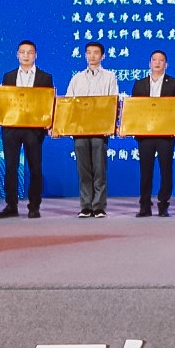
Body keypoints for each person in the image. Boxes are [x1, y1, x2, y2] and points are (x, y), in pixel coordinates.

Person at [0, 40, 53, 219]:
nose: (26, 55)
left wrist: (48, 124)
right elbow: (4, 102)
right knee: (10, 167)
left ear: (36, 55)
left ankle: (34, 206)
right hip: (11, 129)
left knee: (35, 168)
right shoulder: (8, 76)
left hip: (34, 130)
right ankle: (11, 205)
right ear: (17, 55)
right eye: (22, 52)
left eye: (30, 52)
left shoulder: (45, 77)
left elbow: (48, 103)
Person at [63, 40, 119, 218]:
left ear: (103, 56)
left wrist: (110, 125)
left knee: (99, 168)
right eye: (89, 52)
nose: (92, 56)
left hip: (100, 128)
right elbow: (68, 103)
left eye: (96, 52)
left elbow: (113, 102)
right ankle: (86, 205)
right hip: (80, 129)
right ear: (85, 55)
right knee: (83, 168)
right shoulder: (77, 78)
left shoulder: (110, 77)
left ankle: (99, 206)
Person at [129, 49, 175, 218]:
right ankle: (145, 205)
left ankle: (163, 204)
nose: (157, 63)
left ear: (166, 64)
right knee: (146, 171)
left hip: (166, 134)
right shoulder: (140, 84)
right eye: (154, 60)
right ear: (149, 63)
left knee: (166, 170)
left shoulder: (174, 83)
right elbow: (134, 108)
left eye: (161, 60)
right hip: (145, 134)